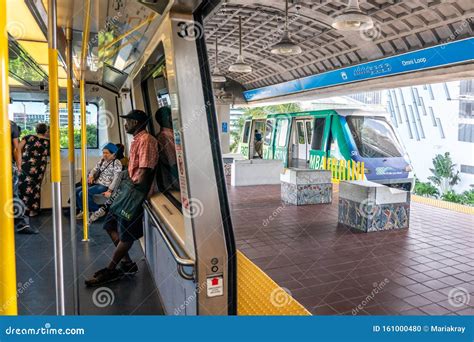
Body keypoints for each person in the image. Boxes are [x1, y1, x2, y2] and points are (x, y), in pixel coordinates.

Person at [85, 110, 158, 286]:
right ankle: (126, 262)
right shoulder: (137, 141)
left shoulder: (146, 141)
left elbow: (144, 172)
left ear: (136, 122)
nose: (125, 125)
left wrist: (131, 192)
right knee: (109, 225)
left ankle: (111, 270)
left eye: (128, 121)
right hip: (127, 190)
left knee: (126, 236)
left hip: (134, 193)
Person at [76, 143, 122, 219]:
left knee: (83, 193)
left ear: (113, 153)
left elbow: (116, 179)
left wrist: (110, 191)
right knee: (76, 191)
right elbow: (94, 169)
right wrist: (91, 176)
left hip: (105, 186)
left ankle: (97, 211)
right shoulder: (102, 161)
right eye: (103, 153)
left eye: (107, 153)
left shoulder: (116, 163)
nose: (104, 155)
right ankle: (84, 211)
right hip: (97, 183)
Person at [10, 121, 37, 234]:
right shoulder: (11, 125)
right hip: (6, 165)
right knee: (13, 194)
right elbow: (16, 149)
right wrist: (19, 165)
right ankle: (22, 224)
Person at [18, 123, 50, 217]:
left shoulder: (28, 137)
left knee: (23, 186)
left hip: (26, 166)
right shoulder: (48, 142)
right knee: (35, 188)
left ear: (36, 130)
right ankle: (33, 210)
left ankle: (21, 210)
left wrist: (19, 163)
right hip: (39, 168)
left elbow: (18, 148)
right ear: (46, 131)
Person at [155, 106, 179, 192]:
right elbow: (174, 163)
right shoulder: (165, 136)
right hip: (176, 182)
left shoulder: (171, 133)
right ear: (168, 118)